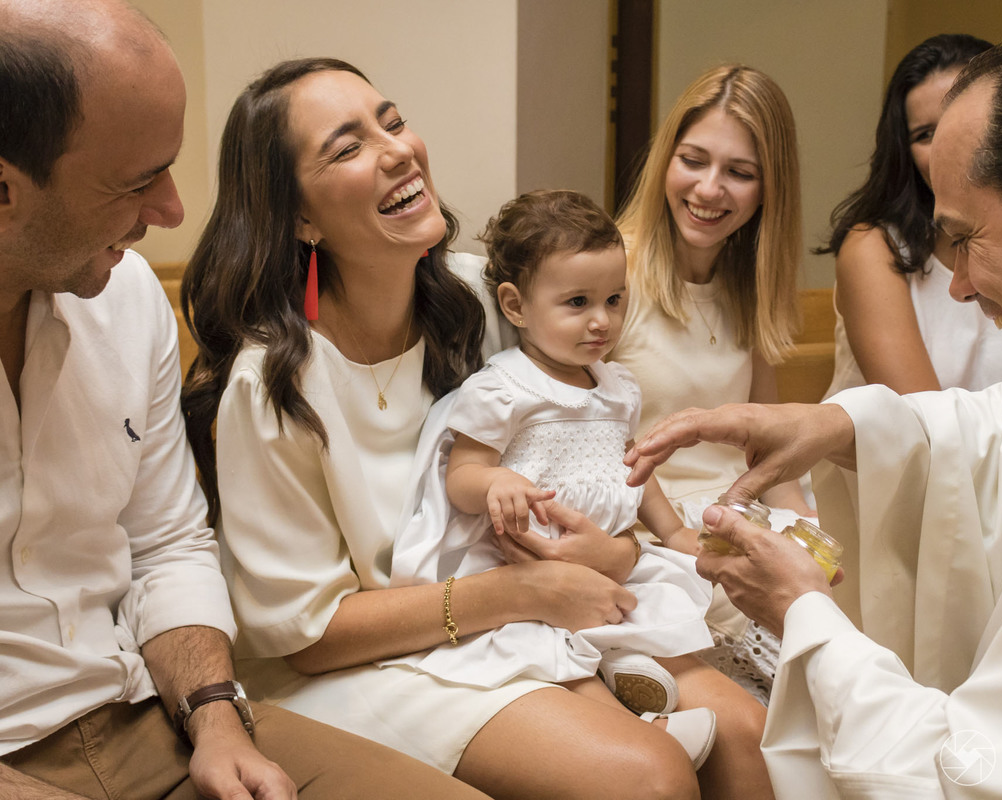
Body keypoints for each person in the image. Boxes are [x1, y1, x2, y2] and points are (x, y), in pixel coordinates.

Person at [625, 8, 1002, 797]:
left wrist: (803, 612)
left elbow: (983, 778)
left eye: (966, 239)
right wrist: (837, 423)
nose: (957, 283)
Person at [181, 58, 772, 800]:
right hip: (363, 666)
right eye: (348, 146)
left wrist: (613, 552)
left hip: (522, 614)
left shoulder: (482, 300)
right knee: (647, 779)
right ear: (300, 217)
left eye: (391, 122)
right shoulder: (274, 385)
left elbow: (588, 442)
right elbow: (309, 636)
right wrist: (529, 592)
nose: (397, 149)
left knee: (745, 730)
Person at [0, 2, 488, 798]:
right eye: (135, 182)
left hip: (144, 710)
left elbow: (167, 545)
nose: (174, 211)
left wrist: (217, 719)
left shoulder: (126, 300)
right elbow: (306, 627)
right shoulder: (277, 378)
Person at [391, 189, 718, 764]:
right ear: (515, 306)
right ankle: (639, 729)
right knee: (544, 650)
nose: (602, 320)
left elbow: (633, 470)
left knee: (641, 610)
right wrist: (496, 485)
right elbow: (460, 474)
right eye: (577, 302)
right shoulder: (505, 388)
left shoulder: (617, 387)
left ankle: (629, 672)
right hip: (520, 559)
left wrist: (671, 533)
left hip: (600, 553)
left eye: (615, 299)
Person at [609, 63, 810, 703]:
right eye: (693, 160)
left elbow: (772, 443)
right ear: (666, 158)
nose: (709, 189)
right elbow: (584, 437)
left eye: (739, 173)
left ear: (767, 190)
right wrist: (680, 537)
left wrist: (807, 537)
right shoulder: (611, 272)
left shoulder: (748, 286)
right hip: (650, 533)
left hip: (737, 518)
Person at [817, 34, 1002, 398]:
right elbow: (923, 424)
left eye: (958, 121)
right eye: (925, 134)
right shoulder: (872, 248)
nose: (945, 149)